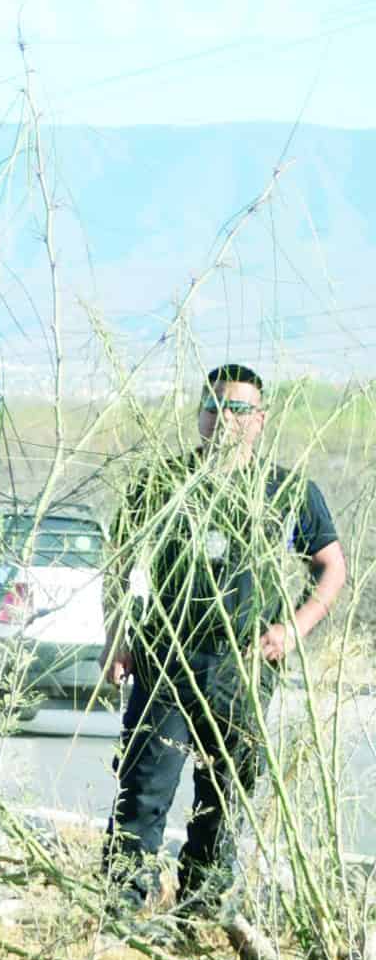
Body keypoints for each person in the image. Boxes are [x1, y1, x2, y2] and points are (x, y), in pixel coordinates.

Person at [100, 365, 347, 916]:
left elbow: (332, 567)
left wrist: (295, 628)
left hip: (242, 661)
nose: (225, 419)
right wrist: (116, 635)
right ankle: (123, 903)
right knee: (143, 784)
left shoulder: (287, 490)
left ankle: (203, 907)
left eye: (239, 409)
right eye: (214, 407)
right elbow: (118, 563)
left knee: (225, 789)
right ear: (200, 415)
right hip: (163, 656)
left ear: (260, 419)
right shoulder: (163, 482)